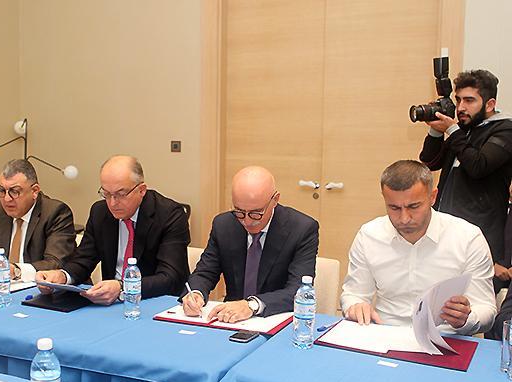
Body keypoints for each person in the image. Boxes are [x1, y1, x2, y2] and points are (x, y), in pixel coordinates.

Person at [341, 160, 496, 335]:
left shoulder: (467, 237)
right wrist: (356, 306)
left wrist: (466, 319)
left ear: (433, 197)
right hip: (385, 334)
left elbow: (486, 308)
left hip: (447, 336)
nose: (404, 218)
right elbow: (354, 294)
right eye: (394, 208)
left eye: (413, 206)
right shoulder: (369, 235)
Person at [36, 155, 190, 305]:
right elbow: (83, 260)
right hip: (110, 304)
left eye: (121, 194)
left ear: (141, 190)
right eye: (106, 194)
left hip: (154, 302)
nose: (112, 203)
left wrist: (122, 287)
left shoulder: (170, 215)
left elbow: (170, 277)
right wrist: (62, 276)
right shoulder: (100, 212)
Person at [181, 166, 318, 323]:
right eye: (239, 211)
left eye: (256, 213)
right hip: (230, 321)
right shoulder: (224, 224)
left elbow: (297, 291)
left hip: (275, 320)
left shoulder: (301, 229)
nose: (247, 221)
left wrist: (252, 305)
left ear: (275, 200)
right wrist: (196, 293)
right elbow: (205, 272)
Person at [418, 69, 512, 292]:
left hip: (481, 232)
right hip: (445, 227)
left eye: (469, 100)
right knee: (439, 295)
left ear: (489, 104)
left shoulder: (505, 130)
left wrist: (452, 130)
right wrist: (436, 132)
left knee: (471, 299)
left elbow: (478, 166)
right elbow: (429, 162)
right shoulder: (463, 130)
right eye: (458, 100)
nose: (460, 107)